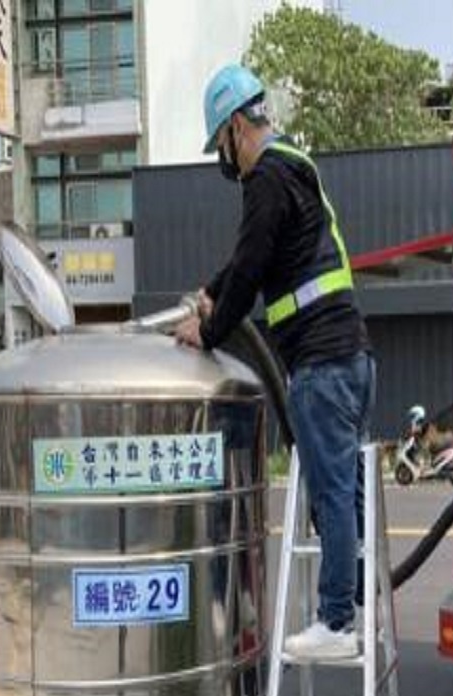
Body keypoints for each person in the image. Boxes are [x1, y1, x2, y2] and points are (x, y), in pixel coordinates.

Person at [175, 63, 374, 661]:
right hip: (353, 358)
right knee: (349, 491)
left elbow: (252, 264)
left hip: (320, 363)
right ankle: (354, 603)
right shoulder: (295, 166)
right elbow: (253, 257)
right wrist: (216, 286)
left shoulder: (266, 175)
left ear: (238, 126)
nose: (224, 159)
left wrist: (206, 330)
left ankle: (336, 621)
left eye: (220, 144)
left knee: (332, 493)